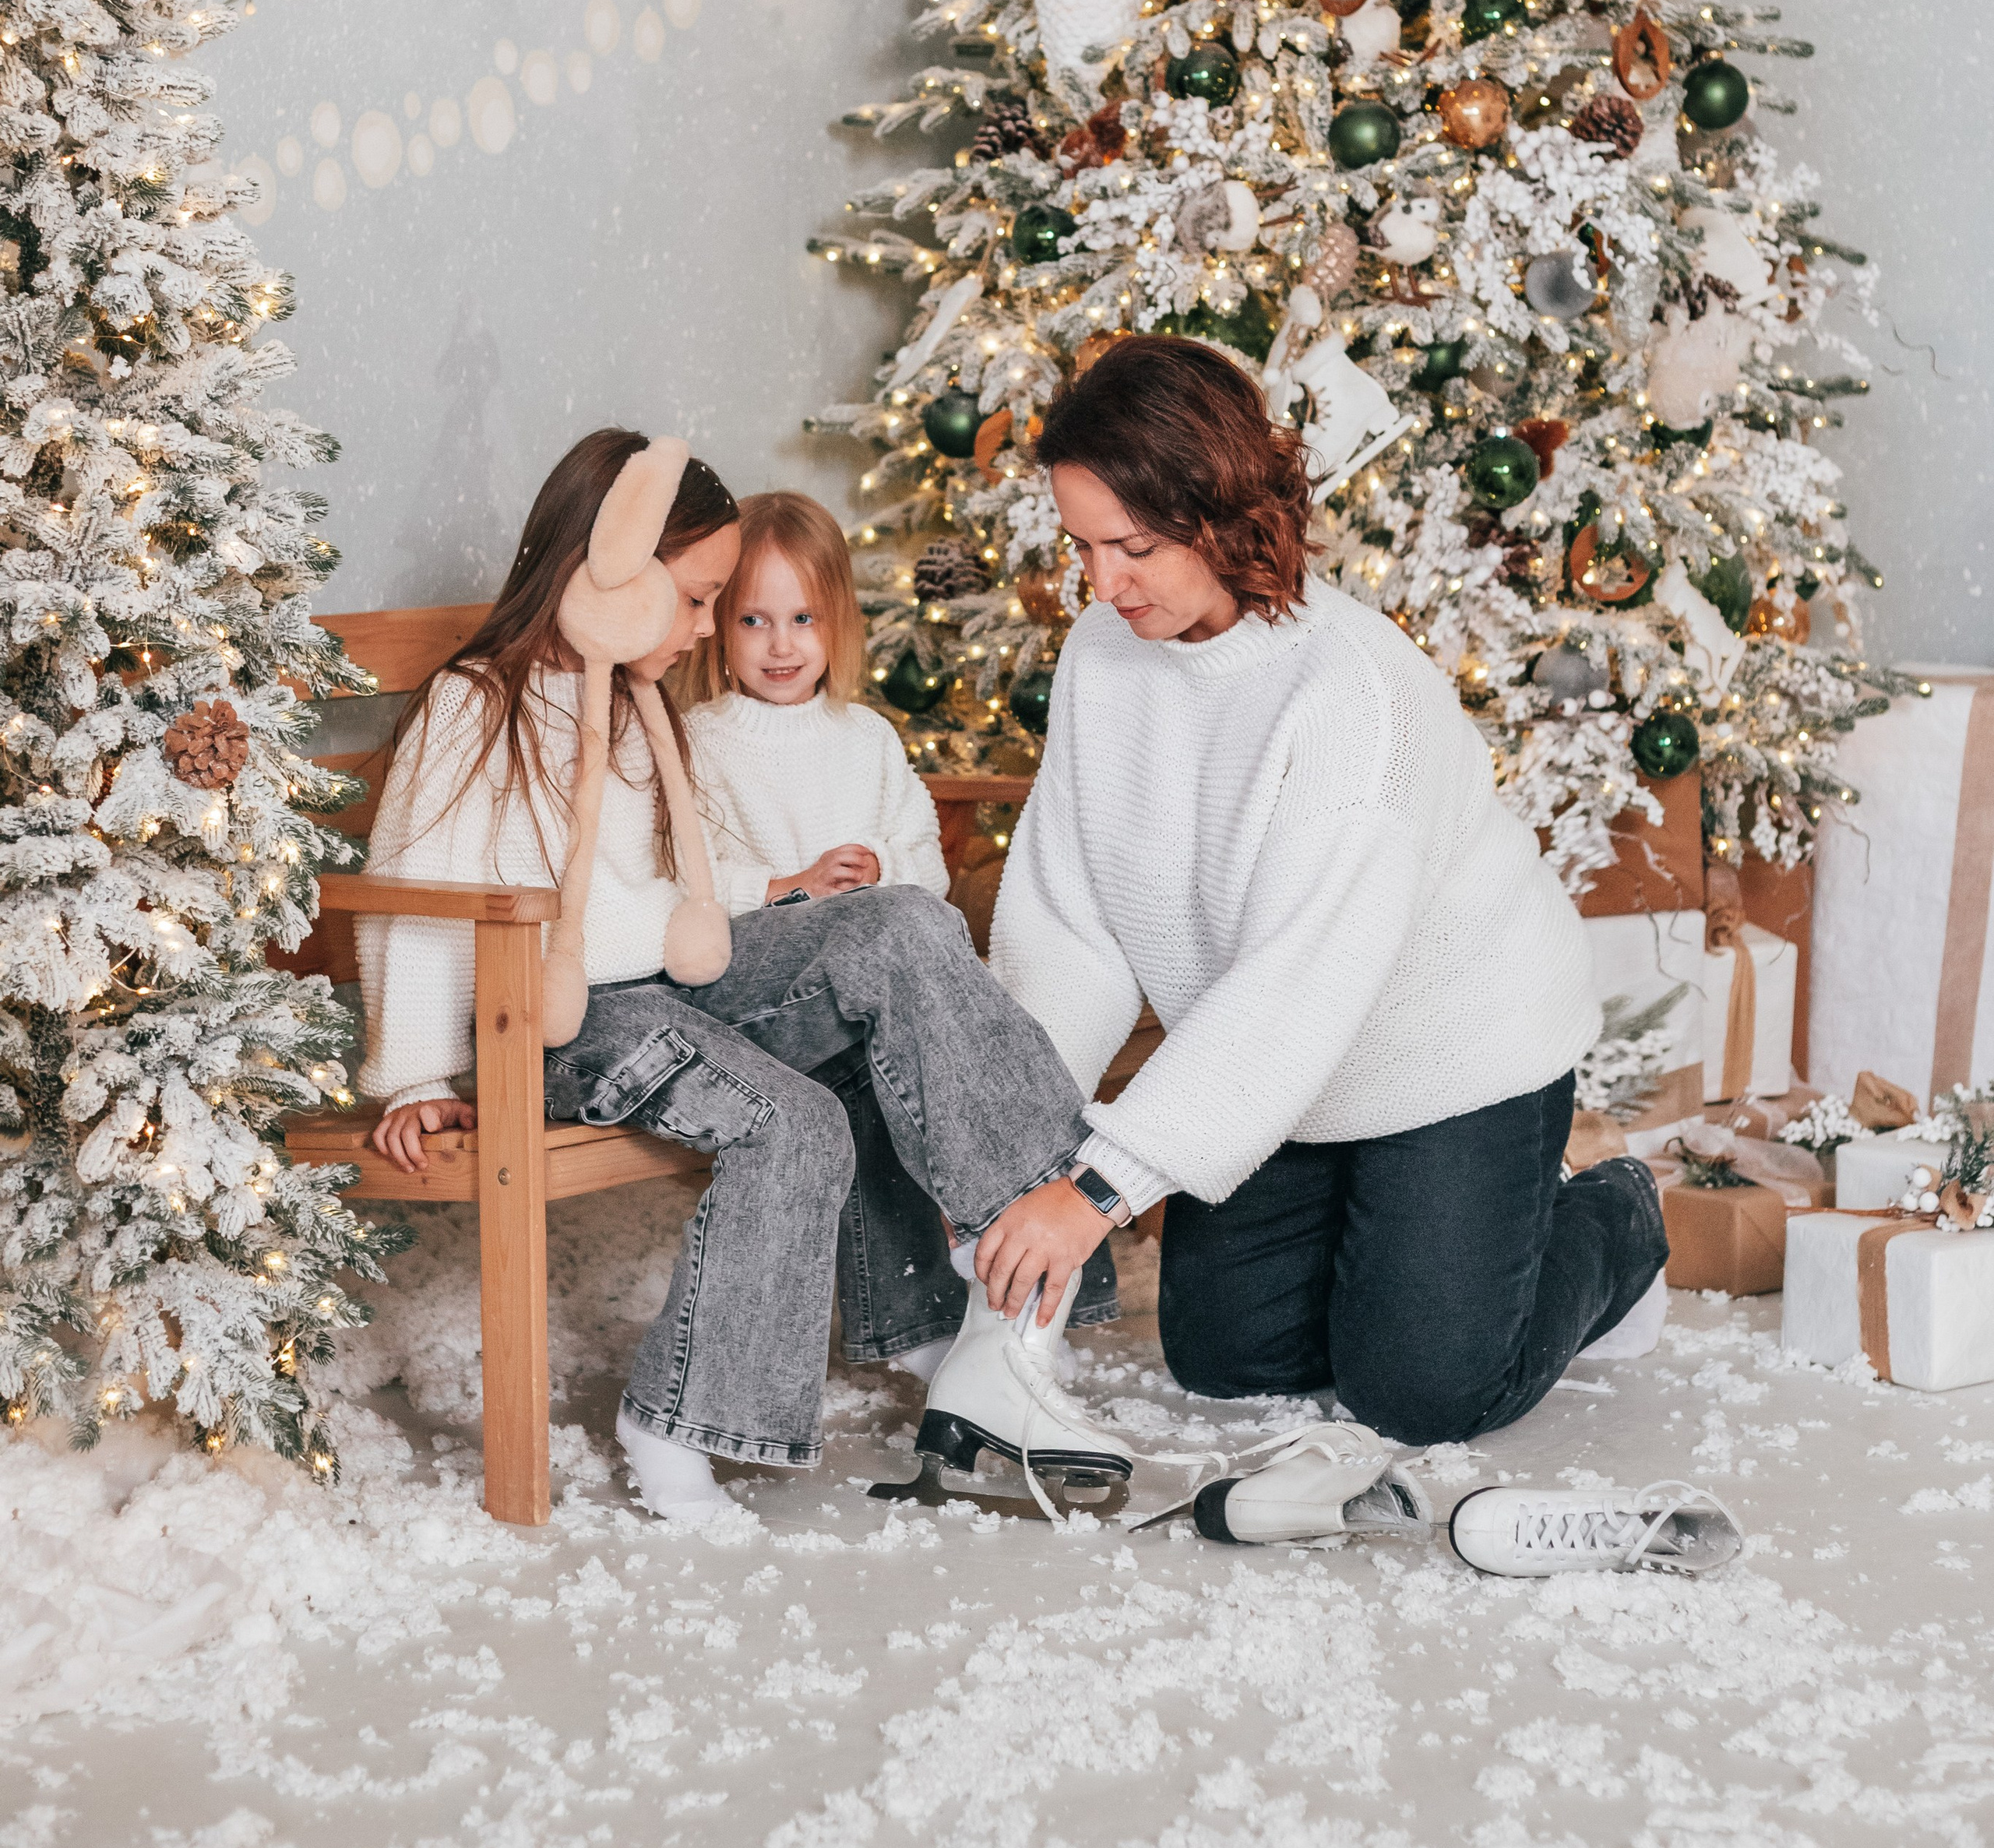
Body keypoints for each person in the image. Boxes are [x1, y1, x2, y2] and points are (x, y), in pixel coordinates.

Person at [355, 428, 1131, 1521]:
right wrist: (417, 1079)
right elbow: (416, 896)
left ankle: (1010, 1270)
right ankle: (673, 1422)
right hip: (552, 1016)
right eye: (699, 600)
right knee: (795, 1119)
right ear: (613, 575)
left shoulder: (633, 702)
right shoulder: (478, 704)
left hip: (668, 982)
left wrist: (792, 899)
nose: (712, 629)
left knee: (897, 923)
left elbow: (684, 895)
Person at [981, 334, 1670, 1542]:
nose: (1102, 583)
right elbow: (1067, 914)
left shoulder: (1348, 694)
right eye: (1083, 544)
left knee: (1419, 1392)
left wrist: (1097, 1190)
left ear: (1219, 513)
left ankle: (1614, 1219)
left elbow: (1301, 988)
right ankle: (1413, 1236)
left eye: (1133, 548)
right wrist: (1020, 1143)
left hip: (1449, 1055)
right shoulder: (1105, 656)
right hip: (1282, 1084)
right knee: (1223, 1360)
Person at [680, 489, 950, 908]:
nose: (782, 646)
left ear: (836, 619)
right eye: (754, 621)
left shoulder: (869, 735)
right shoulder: (696, 742)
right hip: (762, 957)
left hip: (868, 944)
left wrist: (880, 867)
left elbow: (932, 870)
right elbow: (682, 879)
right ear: (717, 622)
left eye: (803, 619)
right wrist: (795, 885)